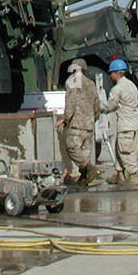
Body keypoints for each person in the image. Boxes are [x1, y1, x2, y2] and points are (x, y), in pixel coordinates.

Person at [57, 58, 101, 186]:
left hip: (77, 125)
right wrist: (94, 118)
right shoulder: (91, 84)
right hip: (89, 125)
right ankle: (84, 178)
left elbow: (70, 105)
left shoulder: (72, 83)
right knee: (85, 153)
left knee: (72, 149)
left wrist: (64, 120)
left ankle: (89, 168)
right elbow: (97, 104)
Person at [103, 59, 138, 187]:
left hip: (125, 124)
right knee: (118, 148)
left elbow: (110, 106)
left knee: (125, 150)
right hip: (132, 122)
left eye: (111, 73)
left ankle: (132, 175)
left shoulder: (117, 89)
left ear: (116, 73)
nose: (110, 76)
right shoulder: (131, 85)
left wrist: (99, 107)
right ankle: (120, 174)